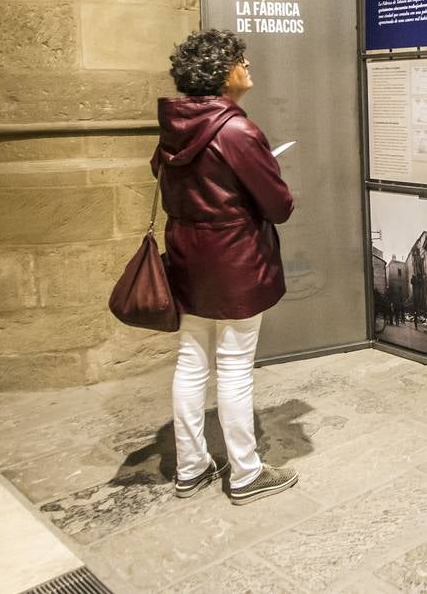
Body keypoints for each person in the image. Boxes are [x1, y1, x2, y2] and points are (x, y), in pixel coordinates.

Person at [154, 29, 299, 506]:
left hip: (187, 256)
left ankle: (191, 468)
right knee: (235, 366)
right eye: (241, 60)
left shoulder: (175, 125)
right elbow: (278, 207)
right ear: (224, 74)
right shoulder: (237, 130)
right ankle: (245, 473)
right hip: (235, 259)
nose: (248, 65)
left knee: (192, 361)